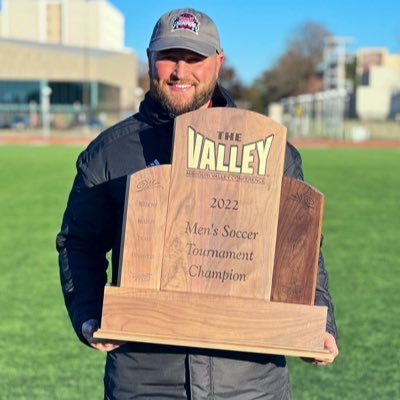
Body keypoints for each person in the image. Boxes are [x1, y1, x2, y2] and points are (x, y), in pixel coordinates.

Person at [56, 8, 338, 399]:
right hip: (145, 378)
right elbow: (78, 241)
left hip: (250, 379)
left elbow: (300, 246)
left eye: (194, 59)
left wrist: (318, 322)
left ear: (218, 62)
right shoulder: (110, 153)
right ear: (150, 59)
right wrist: (88, 311)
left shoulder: (271, 150)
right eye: (169, 57)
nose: (180, 71)